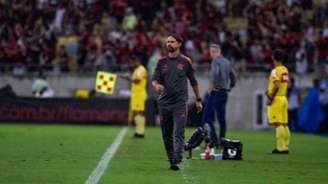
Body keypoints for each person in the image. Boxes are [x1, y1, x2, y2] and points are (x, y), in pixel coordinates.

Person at [152, 34, 202, 171]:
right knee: (166, 134)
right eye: (167, 41)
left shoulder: (186, 62)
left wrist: (198, 99)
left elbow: (193, 82)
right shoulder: (161, 62)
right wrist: (156, 86)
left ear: (179, 44)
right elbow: (155, 79)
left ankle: (177, 158)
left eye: (172, 41)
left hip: (180, 103)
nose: (169, 44)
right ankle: (172, 160)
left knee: (179, 132)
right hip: (164, 104)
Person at [202, 44, 236, 151]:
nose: (211, 54)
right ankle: (222, 142)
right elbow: (233, 76)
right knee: (222, 119)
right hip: (224, 93)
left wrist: (212, 87)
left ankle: (214, 141)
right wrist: (230, 87)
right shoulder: (227, 62)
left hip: (216, 92)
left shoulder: (215, 61)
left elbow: (216, 74)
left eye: (212, 52)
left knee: (207, 118)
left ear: (216, 52)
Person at [265, 49, 290, 154]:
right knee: (284, 124)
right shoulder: (285, 69)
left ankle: (280, 148)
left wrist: (270, 98)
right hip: (284, 98)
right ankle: (285, 146)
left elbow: (277, 84)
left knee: (278, 124)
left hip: (277, 99)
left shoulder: (275, 71)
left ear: (273, 58)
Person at [123, 56, 148, 138]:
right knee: (137, 113)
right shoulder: (137, 70)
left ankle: (140, 132)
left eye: (131, 62)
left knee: (139, 112)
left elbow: (137, 81)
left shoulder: (141, 69)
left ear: (136, 61)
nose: (130, 64)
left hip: (139, 94)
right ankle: (139, 131)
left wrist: (128, 78)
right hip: (136, 94)